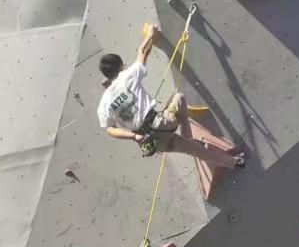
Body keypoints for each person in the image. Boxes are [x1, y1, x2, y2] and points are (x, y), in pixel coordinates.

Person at [96, 25, 245, 167]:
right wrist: (150, 34)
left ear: (107, 76)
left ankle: (232, 161)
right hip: (162, 124)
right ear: (121, 65)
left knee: (194, 149)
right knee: (178, 98)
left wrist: (134, 136)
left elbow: (110, 130)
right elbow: (143, 52)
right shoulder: (127, 75)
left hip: (152, 142)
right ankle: (190, 138)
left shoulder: (104, 104)